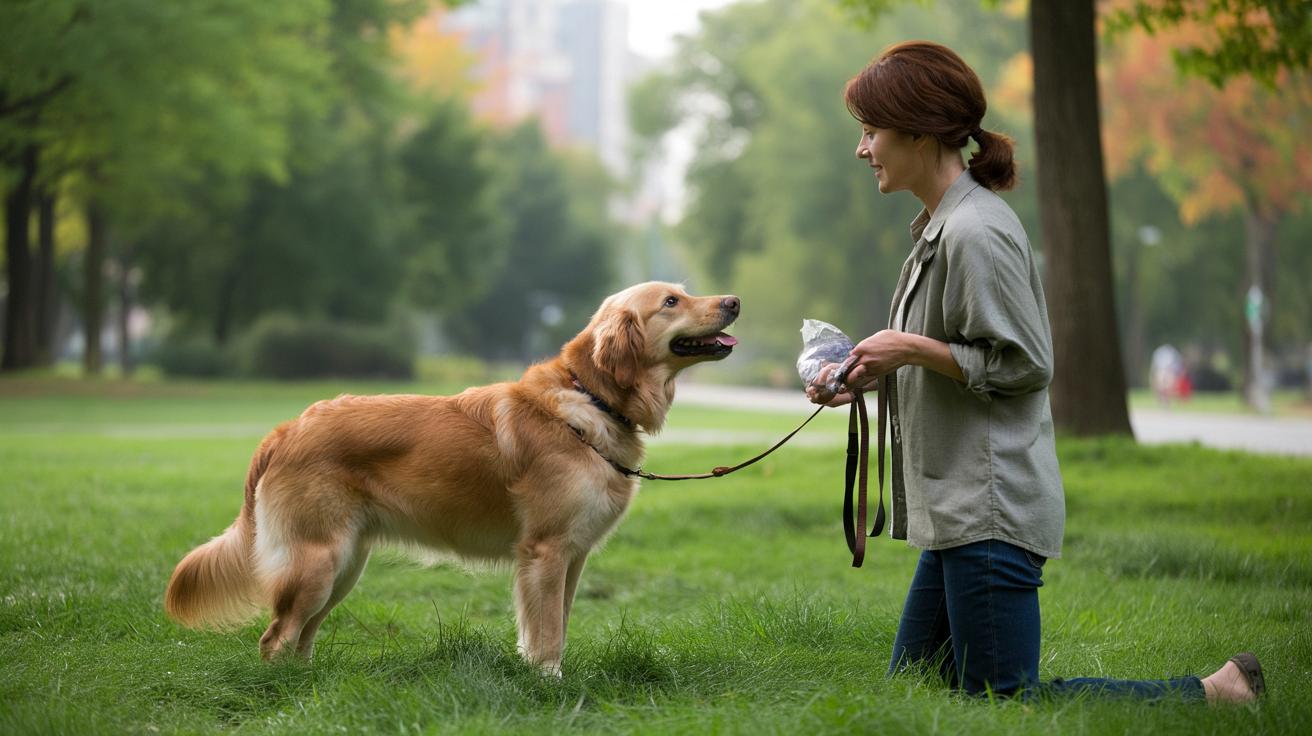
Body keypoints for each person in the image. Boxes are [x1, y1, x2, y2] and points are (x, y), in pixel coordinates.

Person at [805, 40, 1262, 704]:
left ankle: (1218, 693)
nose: (862, 149)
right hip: (959, 512)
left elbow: (1025, 363)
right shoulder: (940, 228)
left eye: (871, 131)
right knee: (915, 691)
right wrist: (864, 374)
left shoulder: (975, 232)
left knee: (1005, 698)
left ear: (918, 132)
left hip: (990, 510)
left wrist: (909, 349)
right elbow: (954, 356)